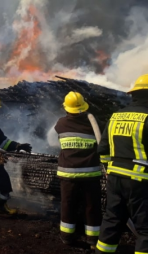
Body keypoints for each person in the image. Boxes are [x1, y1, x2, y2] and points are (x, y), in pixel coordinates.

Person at [96, 74, 148, 253]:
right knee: (145, 229)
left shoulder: (116, 116)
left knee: (112, 221)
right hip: (140, 181)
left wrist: (107, 170)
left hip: (115, 178)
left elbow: (102, 149)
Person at [54, 91, 102, 247]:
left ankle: (67, 237)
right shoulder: (92, 122)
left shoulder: (60, 124)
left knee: (68, 204)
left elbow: (55, 135)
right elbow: (101, 142)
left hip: (68, 174)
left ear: (67, 108)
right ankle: (93, 239)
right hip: (91, 173)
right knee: (92, 206)